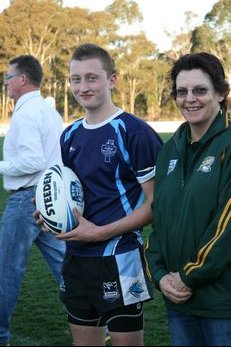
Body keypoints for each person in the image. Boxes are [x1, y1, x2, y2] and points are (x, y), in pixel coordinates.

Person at [54, 43, 163, 346]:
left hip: (119, 257)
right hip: (76, 258)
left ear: (112, 80)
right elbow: (70, 191)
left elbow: (157, 205)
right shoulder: (70, 134)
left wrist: (100, 233)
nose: (83, 87)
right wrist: (51, 213)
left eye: (92, 78)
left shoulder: (134, 132)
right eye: (76, 79)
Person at [145, 52, 231, 346]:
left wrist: (187, 276)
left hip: (222, 305)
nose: (189, 99)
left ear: (220, 93)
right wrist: (160, 276)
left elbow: (226, 227)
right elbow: (160, 219)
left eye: (200, 90)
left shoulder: (228, 145)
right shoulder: (170, 150)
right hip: (178, 301)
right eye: (182, 92)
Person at [0, 55, 66, 346]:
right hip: (50, 199)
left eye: (8, 78)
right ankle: (96, 323)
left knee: (6, 270)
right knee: (67, 266)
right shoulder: (49, 111)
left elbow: (32, 160)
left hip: (26, 200)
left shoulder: (26, 114)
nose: (6, 83)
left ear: (22, 80)